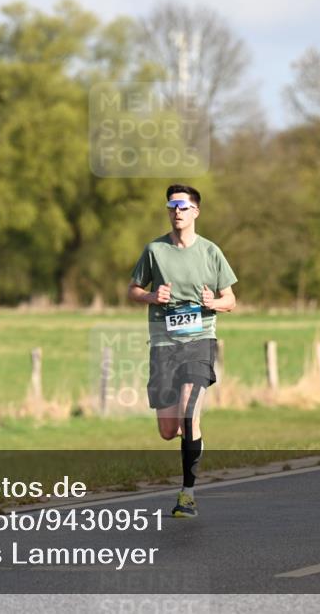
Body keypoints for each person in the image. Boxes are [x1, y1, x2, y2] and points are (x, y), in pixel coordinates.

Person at [127, 184, 237, 518]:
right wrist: (150, 297)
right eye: (172, 206)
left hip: (200, 340)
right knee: (168, 430)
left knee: (190, 412)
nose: (177, 211)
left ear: (196, 212)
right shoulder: (154, 250)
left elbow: (230, 300)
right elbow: (132, 290)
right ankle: (192, 442)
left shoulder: (210, 252)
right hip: (163, 344)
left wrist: (213, 303)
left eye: (183, 206)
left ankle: (187, 493)